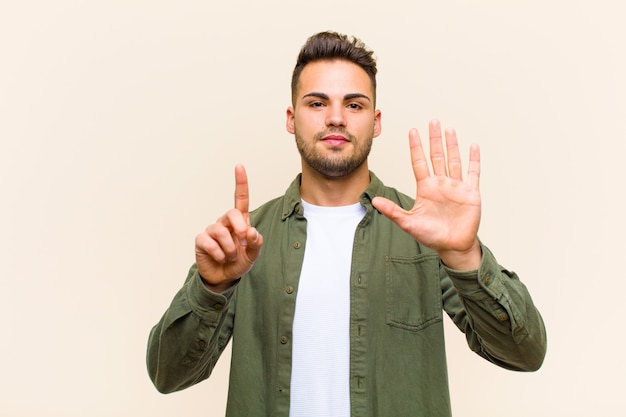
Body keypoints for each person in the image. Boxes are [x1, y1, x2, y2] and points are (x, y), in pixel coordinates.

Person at [147, 31, 547, 417]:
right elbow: (167, 375)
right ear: (291, 118)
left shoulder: (424, 232)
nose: (336, 118)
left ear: (375, 122)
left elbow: (524, 354)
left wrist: (465, 256)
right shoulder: (245, 241)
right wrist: (211, 288)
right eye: (317, 103)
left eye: (354, 105)